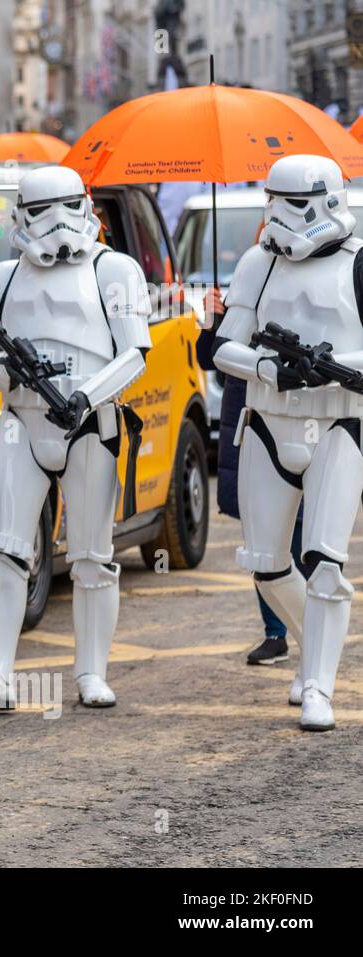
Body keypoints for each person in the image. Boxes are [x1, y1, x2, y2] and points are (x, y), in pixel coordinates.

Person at [0, 165, 151, 710]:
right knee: (6, 550)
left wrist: (87, 396)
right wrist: (0, 373)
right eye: (41, 210)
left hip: (90, 421)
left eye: (66, 206)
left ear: (85, 206)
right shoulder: (2, 279)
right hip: (22, 418)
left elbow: (135, 355)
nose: (56, 223)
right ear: (20, 214)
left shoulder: (115, 270)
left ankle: (91, 672)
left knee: (92, 557)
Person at [213, 154, 363, 732]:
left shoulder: (356, 265)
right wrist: (271, 368)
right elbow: (224, 347)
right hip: (269, 422)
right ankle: (310, 648)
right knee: (269, 566)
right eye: (271, 202)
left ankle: (320, 688)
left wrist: (327, 370)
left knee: (326, 563)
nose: (279, 216)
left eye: (291, 205)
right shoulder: (258, 263)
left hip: (337, 426)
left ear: (327, 200)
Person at [197, 286, 306, 668]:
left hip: (302, 420)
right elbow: (209, 358)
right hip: (249, 422)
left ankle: (312, 629)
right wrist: (212, 322)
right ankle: (275, 633)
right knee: (263, 536)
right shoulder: (246, 287)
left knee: (305, 532)